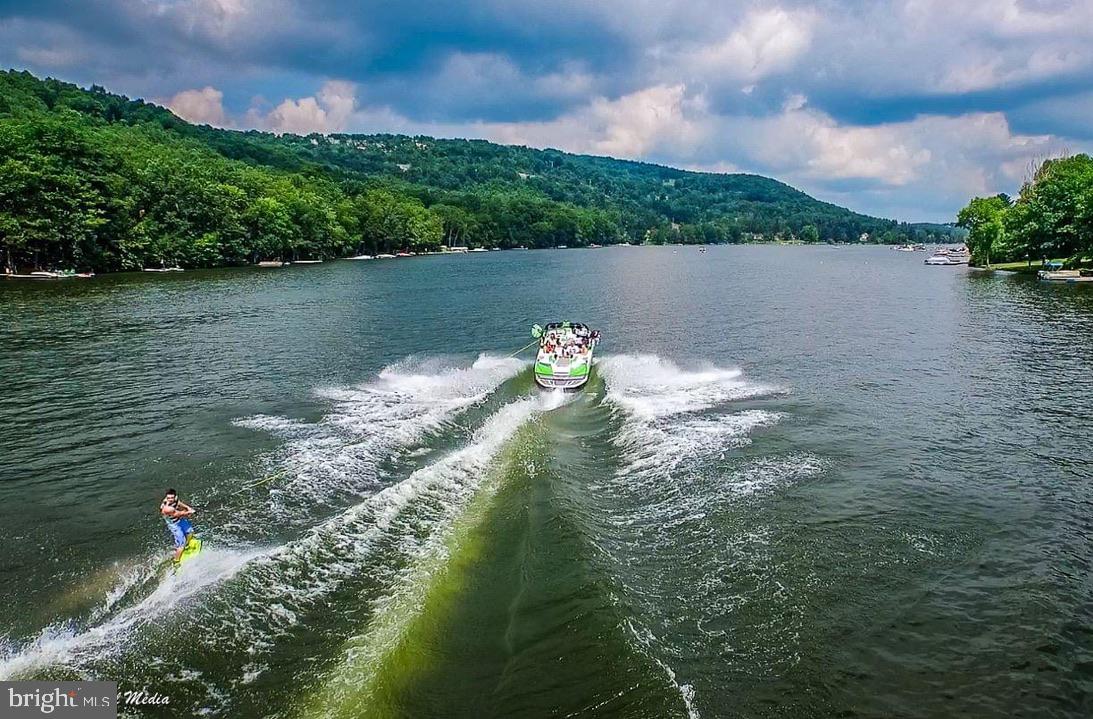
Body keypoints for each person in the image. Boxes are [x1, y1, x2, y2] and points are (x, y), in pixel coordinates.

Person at [160, 489, 195, 563]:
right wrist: (189, 512)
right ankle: (176, 561)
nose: (170, 500)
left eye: (172, 498)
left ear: (175, 496)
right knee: (181, 545)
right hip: (174, 524)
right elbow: (178, 514)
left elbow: (178, 503)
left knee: (190, 532)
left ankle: (187, 544)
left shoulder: (175, 499)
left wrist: (187, 507)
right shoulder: (166, 508)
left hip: (179, 520)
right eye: (168, 498)